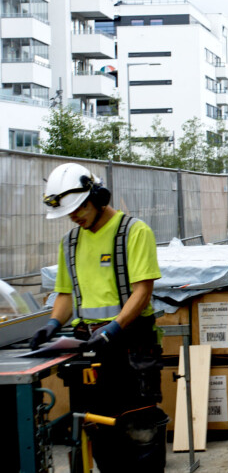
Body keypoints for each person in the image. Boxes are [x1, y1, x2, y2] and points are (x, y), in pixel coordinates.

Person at [30, 163, 167, 472]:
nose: (74, 216)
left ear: (99, 197)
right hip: (90, 350)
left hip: (131, 348)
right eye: (68, 212)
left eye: (79, 207)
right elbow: (66, 294)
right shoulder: (70, 243)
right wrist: (52, 324)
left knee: (139, 432)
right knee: (97, 430)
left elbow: (142, 291)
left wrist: (114, 328)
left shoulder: (133, 232)